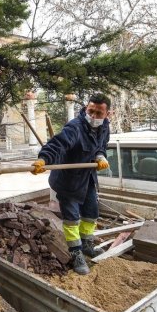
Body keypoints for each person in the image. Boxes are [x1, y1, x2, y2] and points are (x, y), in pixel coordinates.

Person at [31, 93, 111, 275]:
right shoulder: (75, 127)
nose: (94, 116)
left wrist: (100, 155)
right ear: (86, 108)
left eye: (99, 113)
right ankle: (76, 253)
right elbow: (58, 144)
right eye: (91, 111)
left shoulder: (104, 127)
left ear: (107, 114)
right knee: (72, 218)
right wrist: (44, 159)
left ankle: (87, 245)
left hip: (87, 177)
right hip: (67, 180)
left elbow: (102, 145)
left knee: (91, 213)